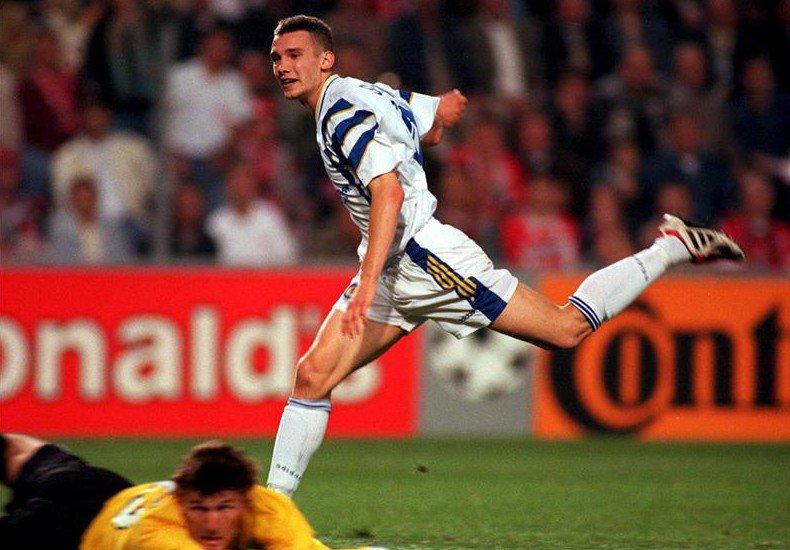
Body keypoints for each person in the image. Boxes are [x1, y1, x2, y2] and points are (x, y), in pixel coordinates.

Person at [265, 15, 745, 497]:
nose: (283, 66)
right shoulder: (367, 92)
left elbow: (387, 192)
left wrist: (366, 285)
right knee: (312, 376)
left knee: (564, 329)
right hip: (394, 262)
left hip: (426, 260)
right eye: (277, 58)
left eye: (294, 55)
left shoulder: (338, 112)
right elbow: (431, 123)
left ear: (326, 59)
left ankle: (671, 246)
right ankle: (274, 512)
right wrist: (444, 110)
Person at [0, 434, 366, 549]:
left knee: (24, 452)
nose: (211, 523)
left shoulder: (269, 508)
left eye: (224, 507)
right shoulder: (161, 537)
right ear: (180, 500)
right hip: (66, 530)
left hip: (109, 488)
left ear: (246, 499)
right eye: (199, 508)